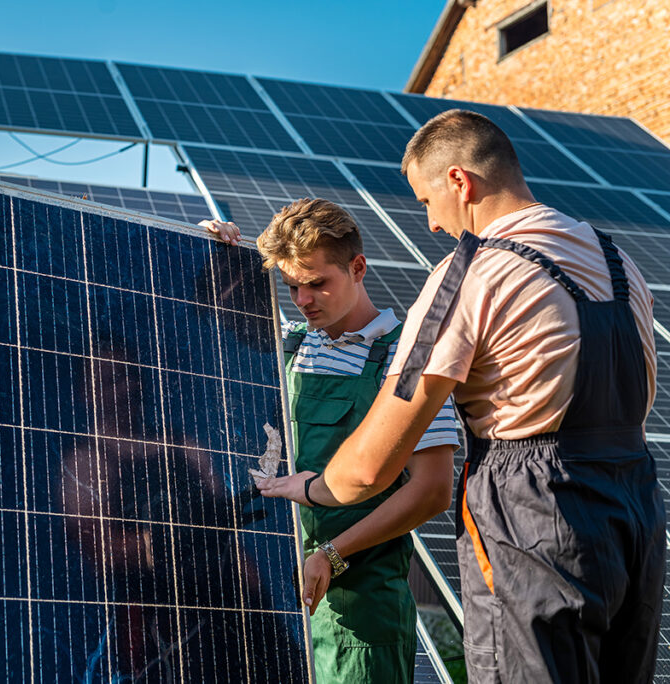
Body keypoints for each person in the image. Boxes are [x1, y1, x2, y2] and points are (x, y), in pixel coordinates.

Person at [257, 110, 666, 683]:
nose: (429, 224)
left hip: (535, 512)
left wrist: (313, 487)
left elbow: (372, 467)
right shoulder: (616, 260)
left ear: (459, 182)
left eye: (426, 201)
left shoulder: (473, 271)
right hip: (636, 511)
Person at [203, 199, 459, 684]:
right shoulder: (288, 345)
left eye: (318, 283)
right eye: (292, 286)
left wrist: (333, 554)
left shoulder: (405, 361)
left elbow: (431, 490)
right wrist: (203, 244)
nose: (303, 299)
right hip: (272, 606)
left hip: (359, 615)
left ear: (357, 267)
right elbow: (197, 308)